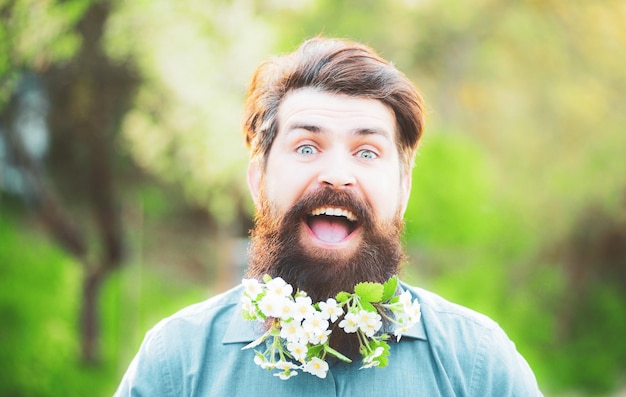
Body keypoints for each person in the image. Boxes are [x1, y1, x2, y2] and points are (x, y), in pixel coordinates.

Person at [114, 37, 542, 396]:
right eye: (306, 147)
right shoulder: (176, 365)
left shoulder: (479, 367)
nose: (337, 176)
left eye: (367, 152)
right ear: (258, 178)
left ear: (404, 188)